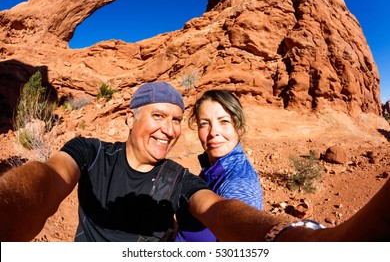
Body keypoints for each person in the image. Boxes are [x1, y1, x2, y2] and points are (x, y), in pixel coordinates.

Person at [0, 81, 389, 242]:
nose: (169, 130)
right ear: (128, 118)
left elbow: (221, 210)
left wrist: (292, 237)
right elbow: (48, 179)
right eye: (157, 116)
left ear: (238, 125)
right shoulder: (89, 151)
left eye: (175, 120)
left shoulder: (181, 177)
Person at [176, 89, 263, 242]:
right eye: (204, 123)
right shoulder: (214, 168)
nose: (213, 132)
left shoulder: (238, 182)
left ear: (239, 128)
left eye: (224, 121)